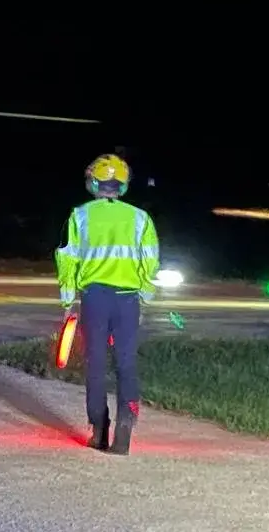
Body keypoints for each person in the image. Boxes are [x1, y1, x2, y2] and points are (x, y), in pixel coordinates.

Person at [55, 153, 159, 456]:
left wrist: (67, 299)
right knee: (126, 363)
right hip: (128, 299)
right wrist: (145, 296)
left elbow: (67, 258)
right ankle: (126, 425)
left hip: (94, 297)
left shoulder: (80, 215)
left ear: (93, 182)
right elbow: (150, 261)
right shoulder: (140, 218)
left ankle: (99, 429)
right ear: (123, 185)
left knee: (96, 364)